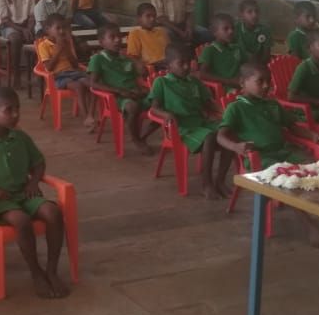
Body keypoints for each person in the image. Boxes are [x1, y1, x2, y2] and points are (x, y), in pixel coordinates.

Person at [0, 86, 70, 299]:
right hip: (0, 202)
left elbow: (38, 163)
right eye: (9, 110)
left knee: (53, 213)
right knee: (21, 221)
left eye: (17, 108)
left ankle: (52, 270)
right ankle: (36, 272)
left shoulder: (21, 137)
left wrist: (33, 182)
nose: (16, 114)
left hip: (24, 194)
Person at [217, 62, 319, 248]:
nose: (266, 86)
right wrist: (236, 146)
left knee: (315, 172)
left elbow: (291, 126)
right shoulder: (236, 108)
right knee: (290, 180)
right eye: (260, 81)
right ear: (242, 83)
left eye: (268, 81)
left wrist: (311, 135)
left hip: (283, 153)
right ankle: (309, 225)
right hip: (260, 159)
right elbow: (221, 136)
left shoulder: (272, 104)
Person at [150, 44, 232, 198]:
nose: (187, 66)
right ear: (168, 65)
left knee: (228, 133)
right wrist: (166, 114)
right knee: (209, 137)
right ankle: (207, 184)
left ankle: (220, 181)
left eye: (189, 62)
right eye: (181, 63)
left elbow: (208, 103)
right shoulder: (161, 82)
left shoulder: (194, 82)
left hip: (201, 123)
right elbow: (153, 108)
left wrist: (224, 111)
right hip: (181, 128)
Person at [88, 22, 153, 155]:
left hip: (134, 93)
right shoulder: (98, 59)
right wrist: (120, 91)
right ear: (101, 42)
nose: (118, 40)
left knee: (165, 102)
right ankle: (136, 139)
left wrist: (134, 61)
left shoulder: (125, 59)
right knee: (132, 106)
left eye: (119, 36)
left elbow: (143, 75)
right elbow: (93, 83)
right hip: (117, 97)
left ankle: (143, 137)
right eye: (112, 37)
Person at [36, 14, 94, 129]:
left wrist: (66, 49)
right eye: (58, 28)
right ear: (48, 29)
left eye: (63, 28)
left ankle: (91, 114)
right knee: (78, 86)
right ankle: (86, 117)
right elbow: (49, 67)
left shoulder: (67, 42)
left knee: (91, 83)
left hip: (73, 73)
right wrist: (58, 49)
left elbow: (75, 64)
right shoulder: (44, 45)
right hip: (58, 77)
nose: (62, 31)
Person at [0, 0, 36, 88]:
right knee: (15, 38)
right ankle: (16, 74)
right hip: (9, 26)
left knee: (41, 36)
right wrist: (22, 30)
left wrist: (29, 29)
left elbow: (32, 16)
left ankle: (36, 72)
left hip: (26, 25)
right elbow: (5, 20)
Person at [198, 13, 244, 91]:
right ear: (214, 32)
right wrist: (230, 81)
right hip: (224, 89)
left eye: (233, 28)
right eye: (226, 29)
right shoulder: (210, 50)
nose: (231, 31)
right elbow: (202, 74)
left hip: (240, 85)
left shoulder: (236, 48)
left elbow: (247, 65)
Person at [126, 2, 170, 75]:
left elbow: (170, 50)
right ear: (139, 18)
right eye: (148, 16)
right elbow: (132, 56)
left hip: (167, 64)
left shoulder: (161, 32)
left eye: (154, 16)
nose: (152, 19)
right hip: (152, 67)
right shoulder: (136, 33)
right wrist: (138, 65)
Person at [235, 0, 271, 64]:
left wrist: (257, 65)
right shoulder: (235, 29)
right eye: (249, 12)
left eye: (257, 11)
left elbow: (266, 56)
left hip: (258, 64)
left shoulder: (265, 30)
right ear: (241, 15)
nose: (254, 15)